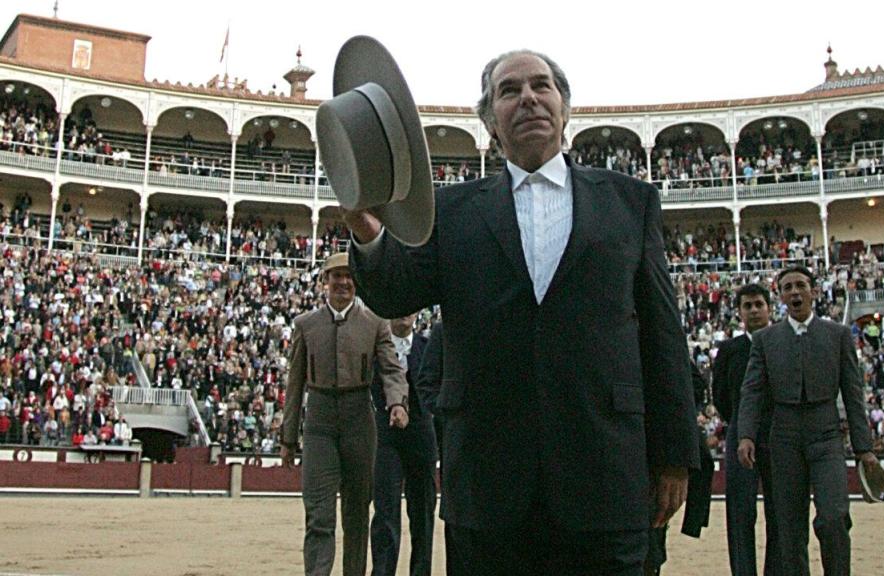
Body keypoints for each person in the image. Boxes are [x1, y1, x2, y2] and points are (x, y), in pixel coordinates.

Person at [344, 49, 700, 576]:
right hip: (488, 480)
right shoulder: (451, 211)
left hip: (604, 471)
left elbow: (662, 336)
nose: (528, 98)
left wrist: (675, 454)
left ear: (565, 109)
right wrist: (368, 234)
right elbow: (395, 295)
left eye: (541, 85)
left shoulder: (630, 202)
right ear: (491, 121)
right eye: (509, 91)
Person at [736, 265, 877, 576]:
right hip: (784, 437)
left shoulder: (838, 335)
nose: (795, 292)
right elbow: (753, 391)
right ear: (781, 296)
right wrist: (746, 434)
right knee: (789, 526)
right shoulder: (765, 339)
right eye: (787, 288)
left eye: (800, 285)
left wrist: (864, 448)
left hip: (826, 434)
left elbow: (853, 394)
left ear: (814, 291)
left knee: (834, 517)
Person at [280, 252, 410, 576]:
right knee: (318, 513)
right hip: (319, 420)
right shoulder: (306, 325)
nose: (343, 282)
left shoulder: (375, 323)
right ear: (325, 281)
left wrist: (397, 402)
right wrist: (288, 438)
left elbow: (391, 369)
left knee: (357, 513)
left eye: (349, 276)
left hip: (358, 419)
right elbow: (294, 386)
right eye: (336, 276)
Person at [713, 283, 780, 576]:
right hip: (740, 432)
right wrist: (740, 424)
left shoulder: (782, 344)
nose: (754, 311)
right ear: (739, 312)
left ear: (769, 308)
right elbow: (720, 394)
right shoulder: (729, 350)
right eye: (747, 306)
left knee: (779, 511)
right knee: (740, 511)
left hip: (778, 433)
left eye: (758, 304)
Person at [370, 313, 438, 576]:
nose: (404, 315)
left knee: (423, 511)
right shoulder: (376, 347)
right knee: (386, 508)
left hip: (422, 432)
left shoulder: (427, 346)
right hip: (386, 433)